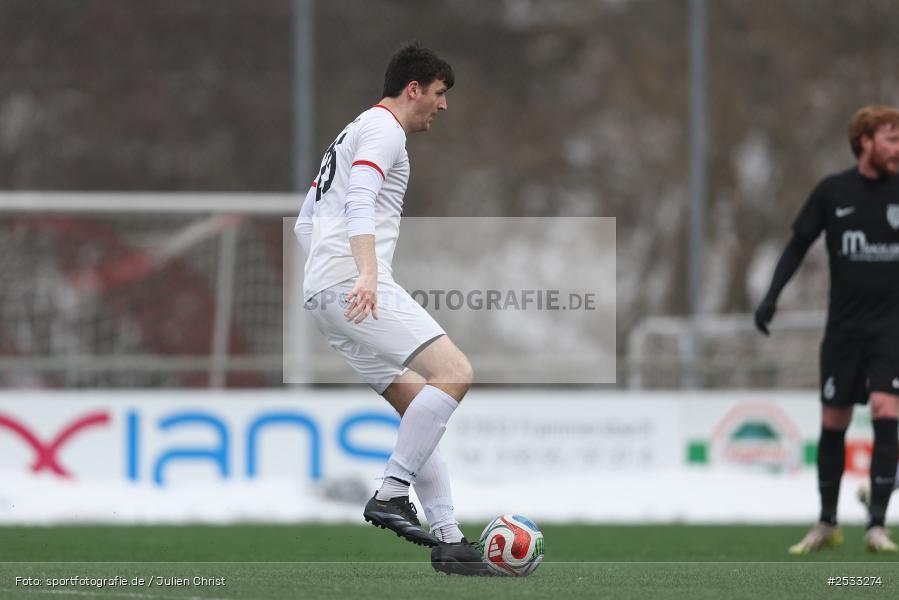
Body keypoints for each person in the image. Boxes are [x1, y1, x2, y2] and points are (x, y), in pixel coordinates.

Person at [294, 42, 489, 576]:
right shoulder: (384, 129)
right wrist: (366, 272)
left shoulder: (351, 131)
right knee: (454, 373)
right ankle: (391, 490)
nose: (442, 106)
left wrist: (331, 276)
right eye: (439, 93)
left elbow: (304, 224)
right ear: (414, 89)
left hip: (326, 295)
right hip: (353, 286)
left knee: (417, 413)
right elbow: (361, 196)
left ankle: (447, 538)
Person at [755, 105, 899, 554]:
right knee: (833, 420)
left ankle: (877, 525)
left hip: (892, 327)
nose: (898, 148)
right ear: (865, 142)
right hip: (843, 330)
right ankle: (827, 523)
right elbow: (798, 244)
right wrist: (771, 295)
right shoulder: (833, 192)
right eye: (891, 139)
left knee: (884, 408)